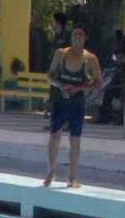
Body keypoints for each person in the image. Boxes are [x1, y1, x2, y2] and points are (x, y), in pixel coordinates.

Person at [43, 25, 100, 189]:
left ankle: (72, 177)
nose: (77, 40)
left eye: (80, 37)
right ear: (71, 39)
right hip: (60, 100)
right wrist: (61, 86)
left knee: (75, 140)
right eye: (74, 36)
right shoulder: (60, 54)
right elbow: (50, 76)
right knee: (54, 136)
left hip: (77, 102)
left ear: (85, 39)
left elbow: (98, 83)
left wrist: (79, 89)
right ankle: (51, 171)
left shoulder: (90, 59)